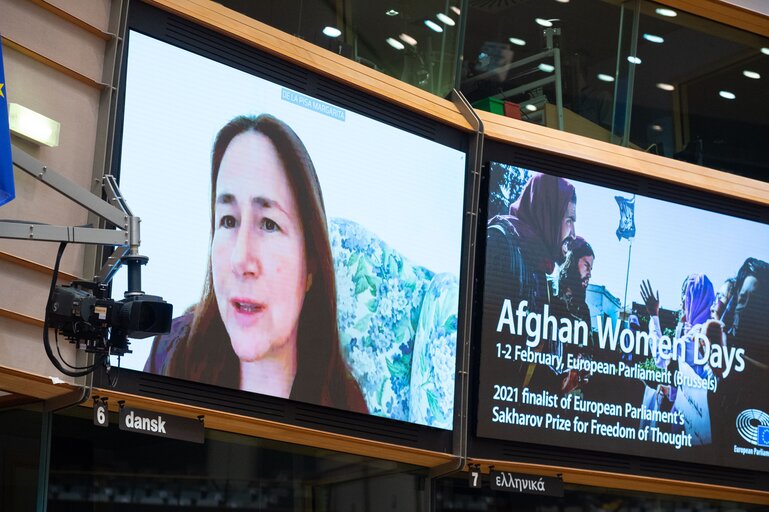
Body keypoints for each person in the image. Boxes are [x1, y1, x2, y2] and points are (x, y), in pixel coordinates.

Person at [145, 114, 367, 413]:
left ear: (311, 263)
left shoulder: (345, 405)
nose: (240, 260)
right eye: (228, 220)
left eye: (269, 224)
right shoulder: (172, 352)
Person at [483, 173, 577, 392]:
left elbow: (520, 365)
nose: (573, 234)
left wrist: (557, 384)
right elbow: (489, 353)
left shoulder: (538, 268)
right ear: (548, 214)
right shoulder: (500, 243)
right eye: (569, 220)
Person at [640, 276, 716, 444]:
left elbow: (661, 357)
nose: (682, 305)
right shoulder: (710, 333)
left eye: (685, 298)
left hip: (688, 430)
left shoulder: (695, 336)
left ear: (693, 301)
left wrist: (654, 315)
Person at [554, 236, 595, 394]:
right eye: (586, 266)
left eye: (591, 269)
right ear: (572, 263)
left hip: (575, 394)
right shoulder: (552, 300)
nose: (589, 274)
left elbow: (589, 351)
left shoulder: (584, 310)